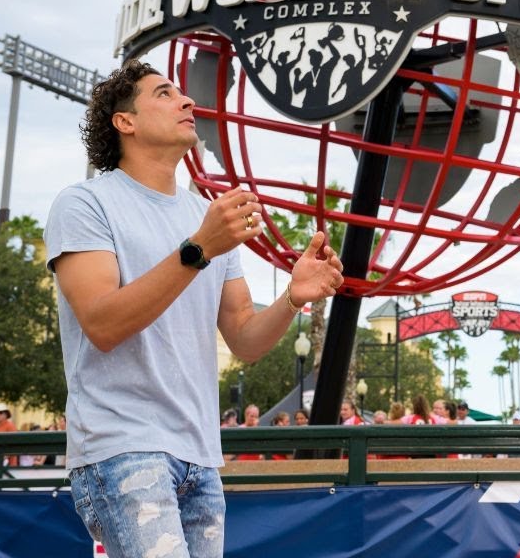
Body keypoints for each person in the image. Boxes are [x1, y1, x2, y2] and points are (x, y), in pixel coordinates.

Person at [45, 61, 344, 558]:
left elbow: (245, 339)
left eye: (183, 93)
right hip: (122, 445)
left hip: (200, 454)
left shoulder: (206, 217)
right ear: (126, 122)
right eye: (165, 93)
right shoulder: (85, 203)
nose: (187, 102)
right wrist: (199, 248)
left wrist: (293, 297)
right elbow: (101, 324)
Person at [0, 403, 19, 467]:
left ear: (6, 415)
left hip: (9, 465)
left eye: (0, 412)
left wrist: (2, 458)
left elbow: (14, 445)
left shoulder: (10, 426)